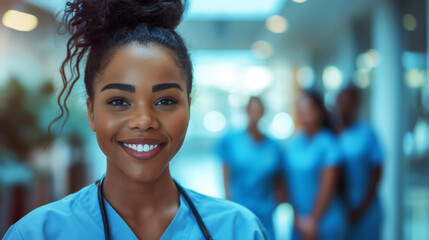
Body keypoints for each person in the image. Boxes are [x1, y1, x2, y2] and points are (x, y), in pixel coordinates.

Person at [2, 0, 268, 239]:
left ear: (188, 107)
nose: (144, 120)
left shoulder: (239, 230)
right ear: (92, 113)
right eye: (119, 101)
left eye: (165, 101)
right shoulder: (38, 234)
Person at [216, 97, 283, 239]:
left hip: (265, 211)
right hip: (239, 207)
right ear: (246, 111)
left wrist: (276, 202)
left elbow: (279, 179)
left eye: (258, 110)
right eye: (252, 110)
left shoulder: (273, 146)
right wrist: (228, 202)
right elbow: (225, 174)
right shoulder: (231, 140)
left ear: (263, 112)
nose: (255, 114)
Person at [282, 91, 346, 240]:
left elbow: (328, 186)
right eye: (299, 107)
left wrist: (312, 221)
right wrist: (298, 218)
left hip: (324, 221)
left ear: (319, 112)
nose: (302, 111)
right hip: (299, 222)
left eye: (307, 108)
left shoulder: (328, 143)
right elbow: (286, 183)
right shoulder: (293, 144)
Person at [335, 87, 384, 240]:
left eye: (348, 103)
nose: (344, 107)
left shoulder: (367, 133)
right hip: (339, 210)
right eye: (340, 103)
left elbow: (377, 172)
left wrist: (361, 208)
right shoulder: (329, 133)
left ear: (357, 104)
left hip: (365, 208)